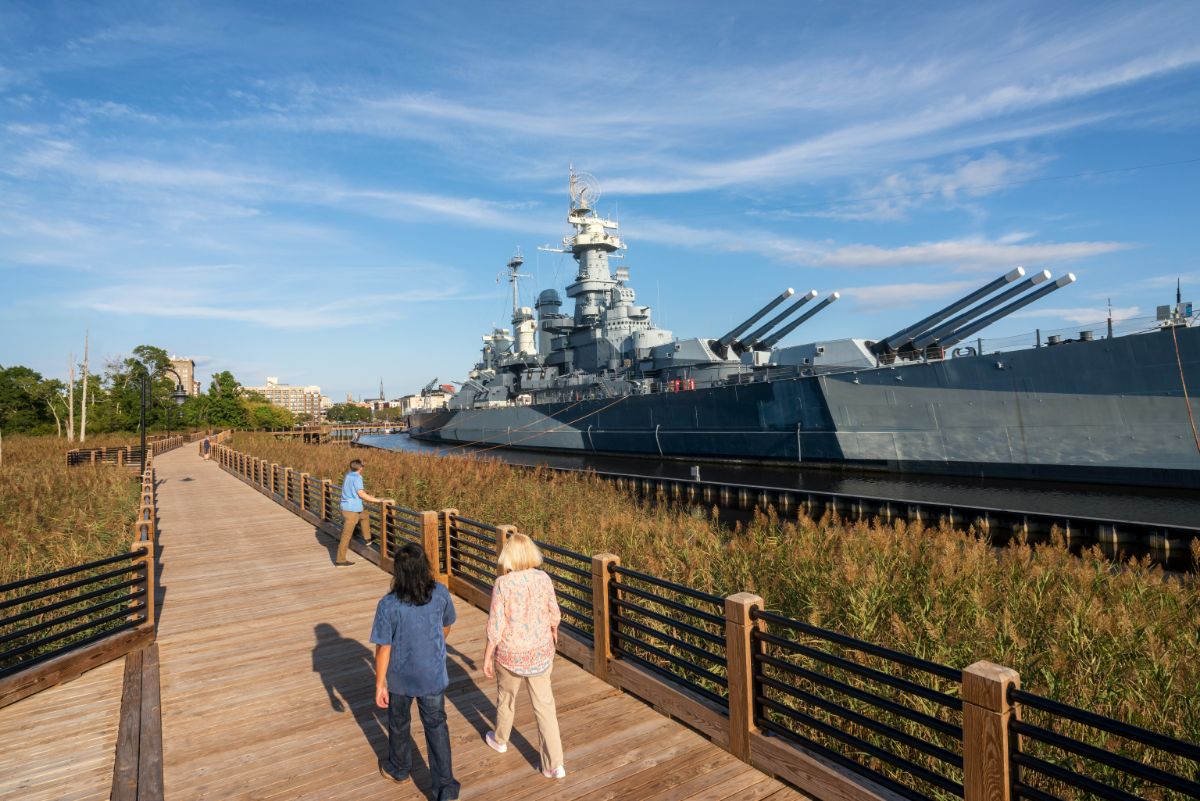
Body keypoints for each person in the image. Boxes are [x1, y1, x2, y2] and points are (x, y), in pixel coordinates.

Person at [371, 543, 460, 800]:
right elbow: (446, 627)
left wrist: (380, 684)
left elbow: (384, 648)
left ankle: (399, 768)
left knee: (399, 723)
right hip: (432, 674)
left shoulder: (388, 605)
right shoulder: (440, 594)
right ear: (425, 568)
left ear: (398, 572)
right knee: (436, 726)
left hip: (400, 678)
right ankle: (446, 789)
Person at [483, 532, 565, 778]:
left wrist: (488, 655)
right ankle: (554, 765)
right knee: (545, 706)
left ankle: (500, 739)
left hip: (511, 654)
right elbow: (554, 612)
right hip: (540, 652)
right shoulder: (543, 578)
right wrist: (553, 629)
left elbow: (496, 625)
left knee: (506, 697)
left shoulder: (503, 584)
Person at [336, 459, 390, 566]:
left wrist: (367, 494)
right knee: (346, 536)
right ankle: (340, 560)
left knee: (364, 516)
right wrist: (377, 501)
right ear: (360, 468)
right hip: (351, 510)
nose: (363, 468)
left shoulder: (348, 475)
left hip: (348, 508)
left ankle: (367, 539)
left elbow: (355, 490)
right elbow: (360, 494)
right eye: (363, 466)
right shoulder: (358, 477)